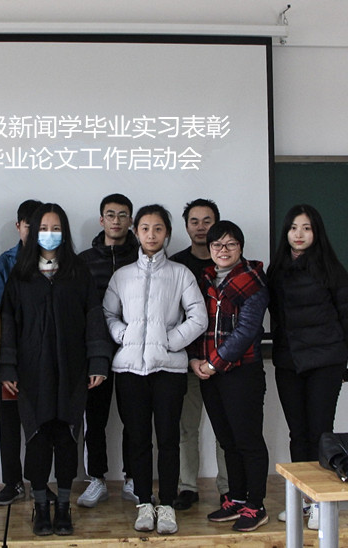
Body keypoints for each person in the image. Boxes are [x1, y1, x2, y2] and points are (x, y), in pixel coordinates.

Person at [0, 203, 111, 537]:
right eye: (44, 228)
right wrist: (8, 368)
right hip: (31, 373)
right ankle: (40, 505)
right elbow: (8, 324)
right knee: (36, 439)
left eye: (56, 227)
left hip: (72, 370)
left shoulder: (78, 271)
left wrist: (98, 361)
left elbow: (94, 317)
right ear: (33, 231)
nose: (50, 234)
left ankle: (63, 506)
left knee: (66, 439)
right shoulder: (21, 274)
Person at [103, 204, 207, 535]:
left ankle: (167, 504)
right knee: (138, 440)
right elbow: (108, 314)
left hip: (168, 371)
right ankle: (144, 503)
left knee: (168, 439)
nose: (151, 234)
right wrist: (125, 336)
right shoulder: (122, 276)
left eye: (158, 229)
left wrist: (170, 341)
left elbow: (199, 317)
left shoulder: (180, 274)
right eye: (145, 228)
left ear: (167, 234)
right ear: (136, 232)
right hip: (129, 371)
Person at [267, 204, 348, 529]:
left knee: (320, 433)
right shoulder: (277, 270)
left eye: (306, 228)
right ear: (286, 233)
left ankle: (321, 502)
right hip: (289, 362)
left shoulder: (333, 269)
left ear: (316, 232)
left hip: (325, 362)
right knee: (298, 433)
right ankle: (302, 500)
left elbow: (346, 321)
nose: (299, 234)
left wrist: (339, 360)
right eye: (293, 228)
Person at [189, 220, 270, 533]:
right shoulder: (205, 279)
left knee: (248, 440)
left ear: (240, 247)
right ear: (209, 249)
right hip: (210, 372)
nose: (223, 250)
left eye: (230, 244)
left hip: (242, 372)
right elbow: (196, 322)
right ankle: (236, 498)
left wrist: (213, 363)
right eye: (217, 245)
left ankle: (256, 504)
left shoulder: (253, 279)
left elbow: (247, 331)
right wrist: (196, 360)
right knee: (227, 440)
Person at [76, 193, 140, 508]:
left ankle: (133, 477)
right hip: (95, 352)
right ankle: (97, 479)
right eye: (111, 215)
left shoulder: (142, 256)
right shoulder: (83, 261)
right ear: (102, 220)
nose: (116, 221)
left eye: (123, 215)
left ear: (131, 220)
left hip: (134, 350)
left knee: (134, 418)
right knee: (95, 419)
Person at [168, 198, 229, 511]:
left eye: (207, 221)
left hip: (225, 363)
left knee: (225, 430)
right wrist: (192, 358)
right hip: (187, 362)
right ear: (186, 226)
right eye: (195, 221)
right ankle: (188, 487)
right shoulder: (175, 265)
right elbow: (171, 317)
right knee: (186, 429)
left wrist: (217, 360)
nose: (201, 227)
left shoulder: (229, 263)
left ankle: (228, 488)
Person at [0, 199, 49, 506]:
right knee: (10, 423)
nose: (36, 232)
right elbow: (0, 316)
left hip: (46, 357)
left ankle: (40, 482)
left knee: (43, 423)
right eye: (30, 225)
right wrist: (6, 363)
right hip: (12, 356)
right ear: (18, 227)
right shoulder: (3, 264)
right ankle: (12, 482)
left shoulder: (57, 262)